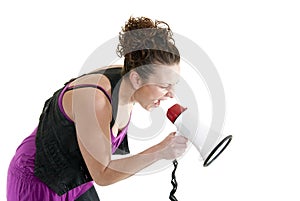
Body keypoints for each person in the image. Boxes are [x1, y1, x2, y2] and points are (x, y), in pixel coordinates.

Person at [7, 16, 188, 201]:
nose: (171, 94)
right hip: (38, 182)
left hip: (75, 181)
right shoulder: (95, 99)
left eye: (173, 85)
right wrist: (159, 151)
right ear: (136, 79)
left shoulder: (128, 82)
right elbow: (102, 174)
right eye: (164, 86)